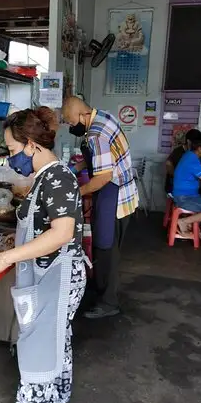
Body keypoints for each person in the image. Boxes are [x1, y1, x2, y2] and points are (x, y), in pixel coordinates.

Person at [0, 107, 86, 403]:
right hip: (45, 273)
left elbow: (62, 233)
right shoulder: (43, 178)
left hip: (58, 276)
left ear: (31, 146)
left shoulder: (58, 178)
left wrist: (7, 257)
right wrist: (17, 241)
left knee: (38, 356)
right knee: (57, 338)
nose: (11, 159)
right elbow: (41, 227)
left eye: (12, 150)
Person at [62, 96, 138, 319]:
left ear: (81, 116)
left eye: (70, 121)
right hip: (122, 191)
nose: (70, 126)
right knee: (104, 247)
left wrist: (75, 192)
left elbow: (103, 177)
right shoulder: (103, 117)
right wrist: (76, 167)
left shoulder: (95, 135)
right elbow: (99, 157)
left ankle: (109, 302)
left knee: (107, 249)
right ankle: (100, 288)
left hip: (113, 195)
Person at [165, 128, 201, 197]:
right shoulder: (178, 152)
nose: (198, 145)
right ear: (188, 141)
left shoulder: (197, 153)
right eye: (196, 142)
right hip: (179, 189)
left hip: (192, 187)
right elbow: (168, 164)